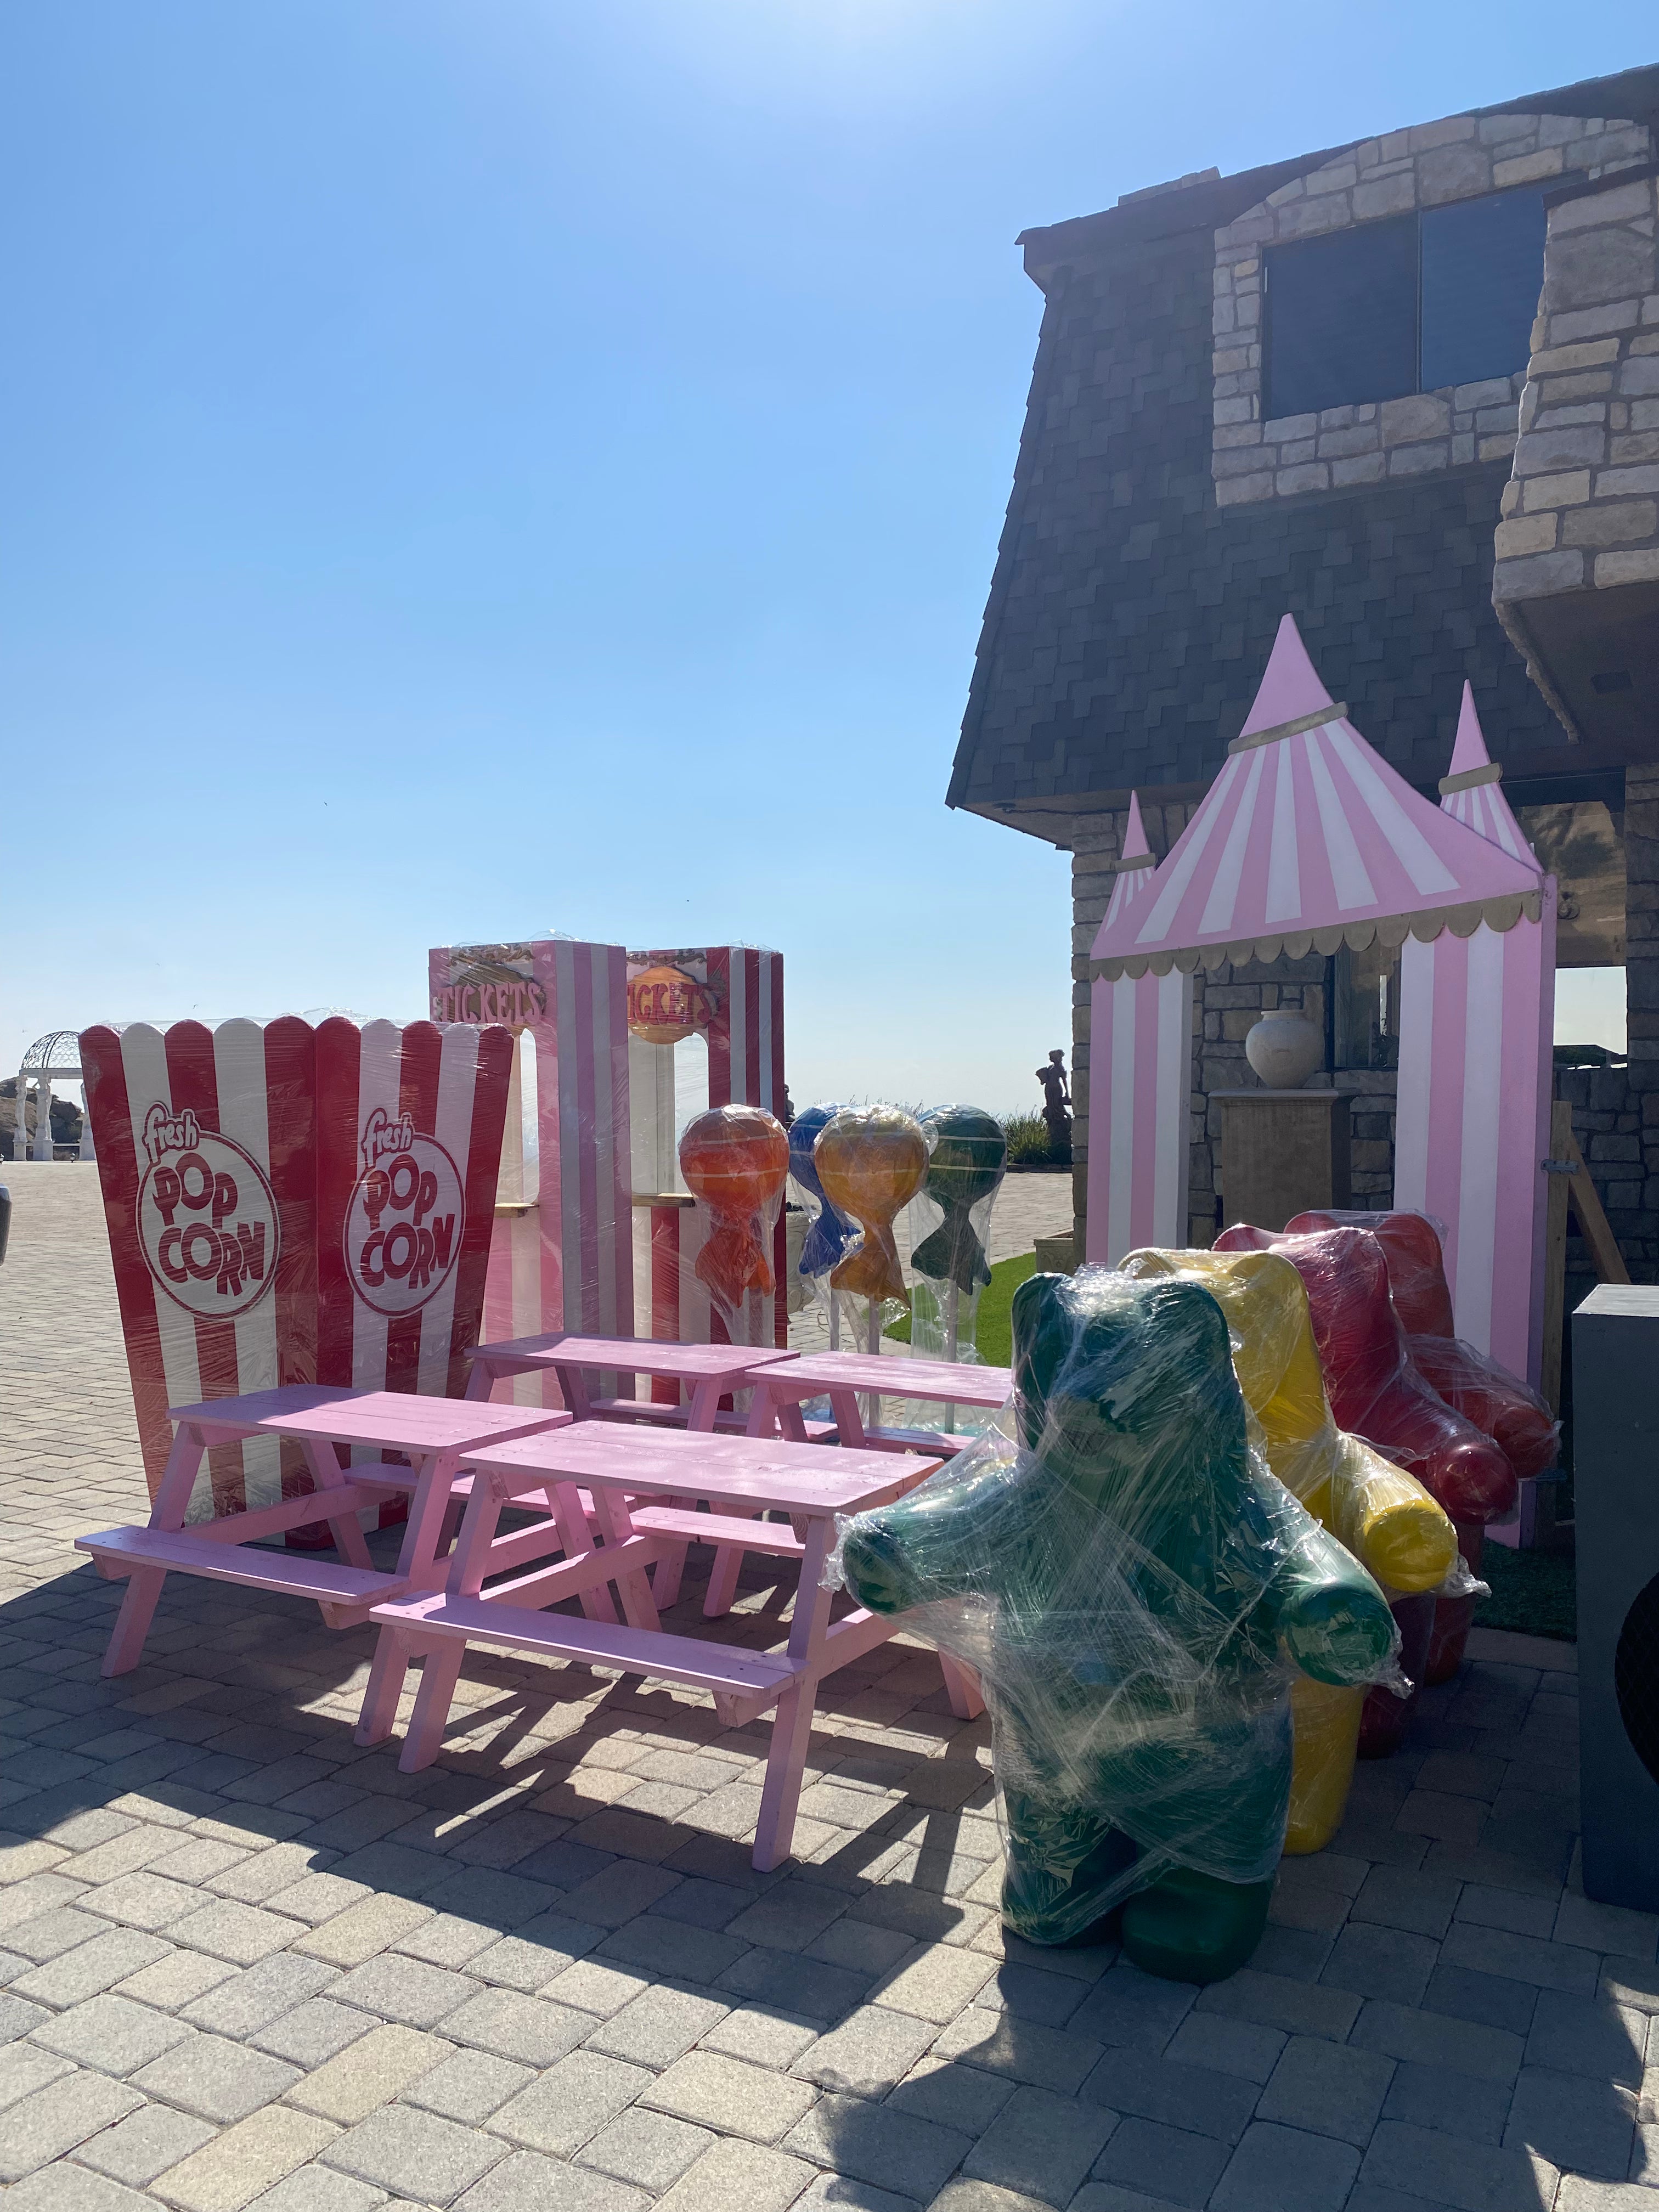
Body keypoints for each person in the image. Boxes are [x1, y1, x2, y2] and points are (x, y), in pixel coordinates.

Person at [1036, 1049, 1071, 1153]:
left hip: (1056, 1089)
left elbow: (1064, 1081)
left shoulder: (1060, 1068)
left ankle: (1062, 1116)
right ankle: (1053, 1118)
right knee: (1050, 1105)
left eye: (1051, 1057)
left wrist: (1067, 1093)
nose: (1050, 1058)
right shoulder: (1051, 1067)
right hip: (1049, 1089)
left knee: (1057, 1105)